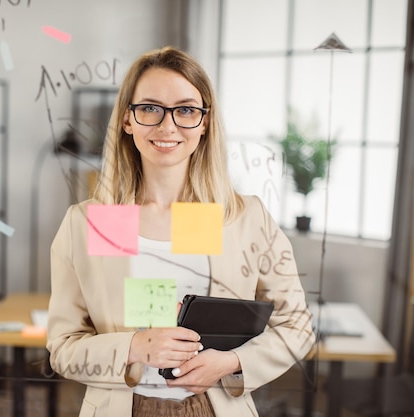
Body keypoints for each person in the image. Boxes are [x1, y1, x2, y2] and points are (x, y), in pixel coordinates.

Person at [47, 46, 315, 417]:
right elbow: (63, 349)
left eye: (186, 109)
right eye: (150, 108)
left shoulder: (241, 218)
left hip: (215, 408)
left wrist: (231, 362)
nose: (167, 126)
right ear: (127, 119)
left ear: (205, 122)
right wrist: (135, 347)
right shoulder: (95, 221)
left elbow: (297, 325)